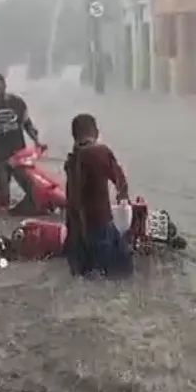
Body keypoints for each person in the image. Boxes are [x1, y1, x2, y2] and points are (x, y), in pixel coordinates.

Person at [64, 113, 133, 278]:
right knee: (122, 274)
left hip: (76, 232)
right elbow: (120, 181)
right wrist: (123, 200)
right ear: (95, 131)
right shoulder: (99, 152)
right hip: (100, 226)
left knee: (87, 277)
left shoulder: (72, 160)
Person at [0, 73, 43, 211]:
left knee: (31, 188)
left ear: (5, 86)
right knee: (4, 196)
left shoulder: (18, 103)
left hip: (19, 154)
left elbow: (28, 125)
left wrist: (37, 142)